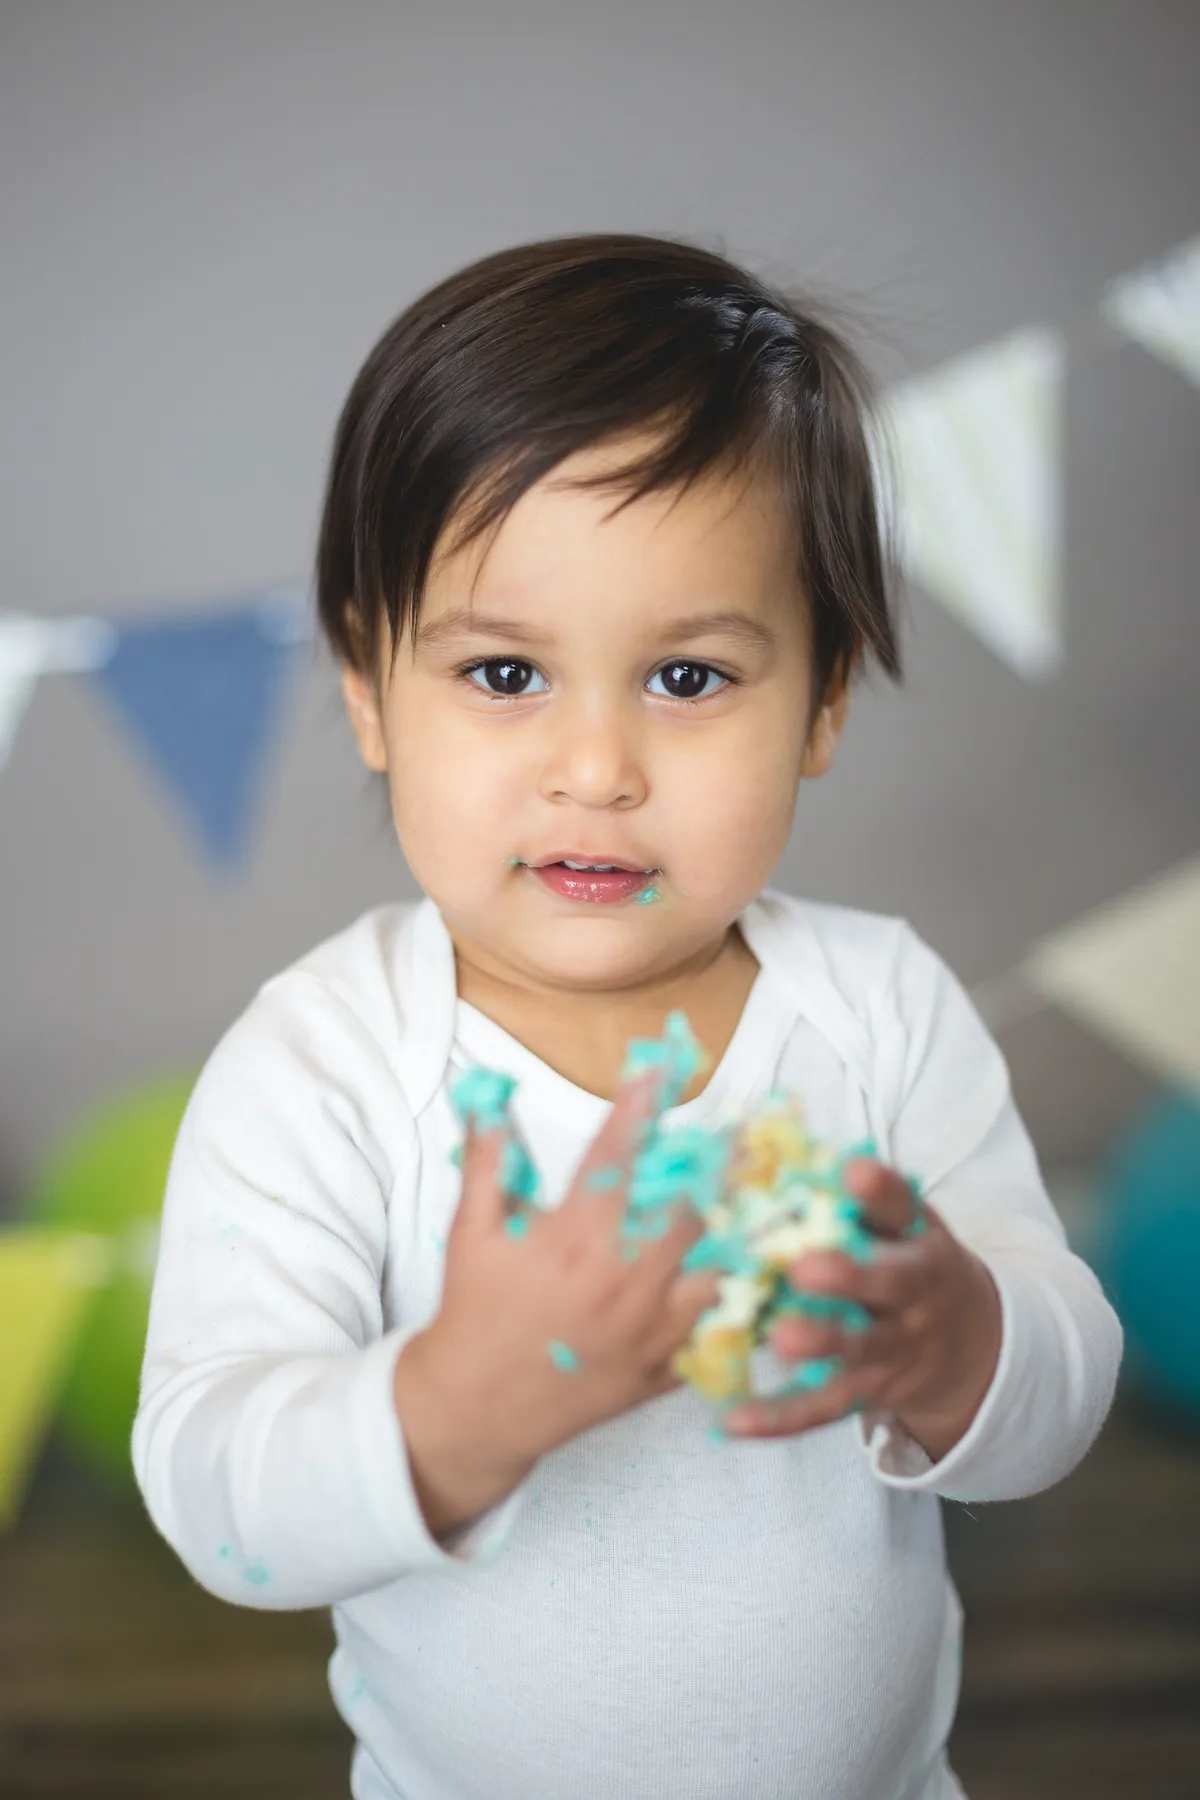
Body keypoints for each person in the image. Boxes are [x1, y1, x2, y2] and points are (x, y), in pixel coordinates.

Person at [132, 234, 1122, 1800]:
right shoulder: (326, 1062)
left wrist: (955, 1335)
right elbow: (216, 1501)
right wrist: (457, 1402)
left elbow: (1060, 1392)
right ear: (371, 686)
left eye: (686, 678)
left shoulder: (876, 1011)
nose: (596, 767)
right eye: (508, 671)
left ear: (826, 699)